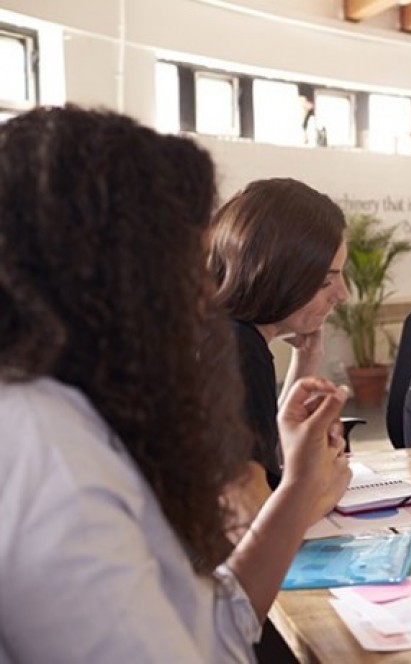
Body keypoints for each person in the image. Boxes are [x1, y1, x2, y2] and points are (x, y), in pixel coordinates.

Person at [0, 106, 351, 661]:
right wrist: (304, 492)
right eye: (181, 257)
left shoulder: (83, 413)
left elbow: (216, 626)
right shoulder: (49, 459)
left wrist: (301, 485)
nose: (202, 283)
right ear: (107, 277)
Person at [209, 178, 349, 490]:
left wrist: (306, 358)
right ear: (278, 277)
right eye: (326, 282)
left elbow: (268, 457)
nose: (342, 294)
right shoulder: (238, 350)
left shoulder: (225, 334)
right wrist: (328, 484)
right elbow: (257, 518)